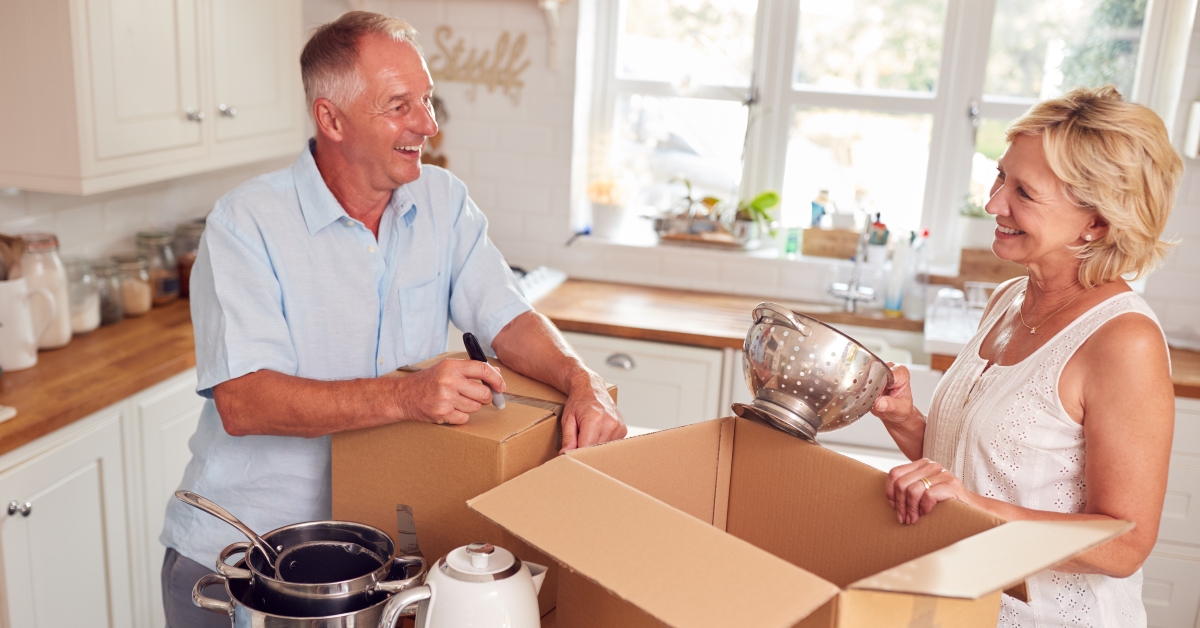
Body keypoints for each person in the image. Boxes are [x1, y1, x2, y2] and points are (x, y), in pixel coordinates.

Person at [159, 12, 625, 627]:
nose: (427, 125)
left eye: (426, 100)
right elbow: (245, 402)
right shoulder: (246, 224)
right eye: (400, 105)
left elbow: (506, 317)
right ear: (331, 119)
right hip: (247, 565)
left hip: (374, 569)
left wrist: (582, 381)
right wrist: (408, 395)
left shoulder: (444, 202)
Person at [870, 86, 1180, 627]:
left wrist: (979, 508)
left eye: (1024, 193)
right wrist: (906, 421)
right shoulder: (1008, 299)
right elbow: (981, 474)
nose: (993, 204)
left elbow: (1126, 543)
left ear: (1097, 223)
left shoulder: (1122, 342)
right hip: (963, 603)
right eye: (999, 176)